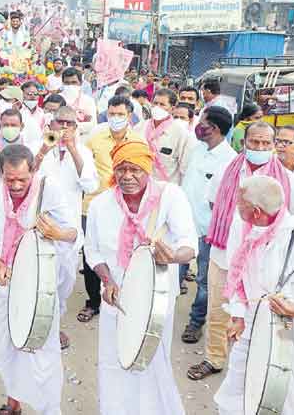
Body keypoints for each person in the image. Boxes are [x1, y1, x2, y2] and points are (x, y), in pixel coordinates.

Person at [191, 121, 294, 381]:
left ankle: (252, 364)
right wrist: (236, 229)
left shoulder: (287, 180)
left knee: (258, 313)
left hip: (266, 262)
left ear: (273, 145)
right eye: (254, 142)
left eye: (266, 143)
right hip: (224, 256)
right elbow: (214, 202)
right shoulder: (227, 170)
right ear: (244, 143)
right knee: (219, 310)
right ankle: (214, 358)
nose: (260, 147)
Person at [85, 139, 197, 415]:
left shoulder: (170, 196)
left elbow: (189, 244)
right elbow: (93, 251)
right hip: (116, 298)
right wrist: (108, 280)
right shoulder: (101, 204)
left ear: (148, 169)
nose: (127, 176)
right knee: (115, 359)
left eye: (135, 169)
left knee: (152, 359)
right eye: (121, 169)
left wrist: (172, 256)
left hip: (156, 298)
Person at [213, 176, 294, 415]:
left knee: (283, 385)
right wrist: (237, 315)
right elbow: (236, 276)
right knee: (241, 379)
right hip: (249, 320)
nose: (235, 207)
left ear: (256, 211)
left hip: (289, 325)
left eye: (240, 203)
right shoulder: (240, 226)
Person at [0, 144, 78, 415]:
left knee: (43, 354)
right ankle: (13, 403)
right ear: (0, 173)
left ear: (33, 171)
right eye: (9, 179)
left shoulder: (50, 191)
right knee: (8, 347)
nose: (16, 185)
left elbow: (73, 233)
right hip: (5, 285)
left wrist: (56, 233)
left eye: (23, 179)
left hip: (41, 285)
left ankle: (49, 410)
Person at [34, 106, 98, 349]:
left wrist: (72, 149)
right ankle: (35, 324)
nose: (63, 127)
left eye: (69, 123)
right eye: (59, 122)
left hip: (68, 229)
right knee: (39, 278)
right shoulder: (38, 144)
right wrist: (43, 150)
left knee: (65, 281)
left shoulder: (83, 151)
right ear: (51, 124)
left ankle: (55, 325)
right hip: (39, 223)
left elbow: (90, 186)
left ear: (76, 127)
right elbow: (26, 176)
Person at [78, 96, 145, 324]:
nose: (115, 118)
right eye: (111, 114)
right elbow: (84, 168)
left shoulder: (138, 141)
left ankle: (121, 296)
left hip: (126, 207)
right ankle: (93, 302)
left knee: (120, 252)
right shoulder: (95, 138)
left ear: (129, 116)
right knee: (91, 254)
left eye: (120, 114)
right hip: (94, 204)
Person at [179, 106, 236, 347]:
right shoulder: (197, 149)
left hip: (207, 232)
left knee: (204, 280)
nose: (197, 126)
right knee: (172, 271)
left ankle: (196, 320)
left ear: (212, 128)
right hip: (181, 225)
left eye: (201, 122)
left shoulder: (230, 160)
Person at [133, 88, 195, 184]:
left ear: (172, 108)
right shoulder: (139, 128)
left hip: (166, 189)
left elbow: (184, 168)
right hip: (140, 185)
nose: (157, 107)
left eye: (162, 104)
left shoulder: (181, 134)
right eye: (155, 103)